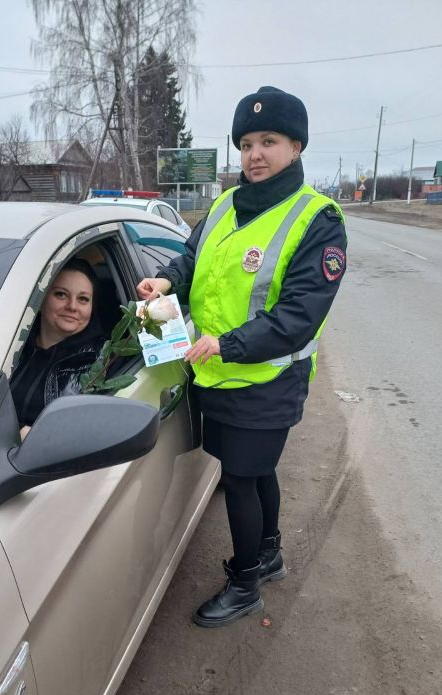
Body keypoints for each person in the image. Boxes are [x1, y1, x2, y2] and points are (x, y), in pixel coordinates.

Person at [137, 86, 347, 628]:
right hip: (213, 372)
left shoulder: (318, 219)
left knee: (240, 479)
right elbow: (192, 261)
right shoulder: (225, 204)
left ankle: (246, 582)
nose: (254, 154)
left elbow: (300, 314)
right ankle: (269, 551)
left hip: (265, 379)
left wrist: (229, 344)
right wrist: (168, 280)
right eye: (247, 143)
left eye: (269, 141)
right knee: (254, 473)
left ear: (296, 146)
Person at [11, 259, 106, 436]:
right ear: (40, 299)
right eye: (61, 294)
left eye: (83, 299)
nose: (72, 306)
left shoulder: (103, 358)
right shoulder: (8, 346)